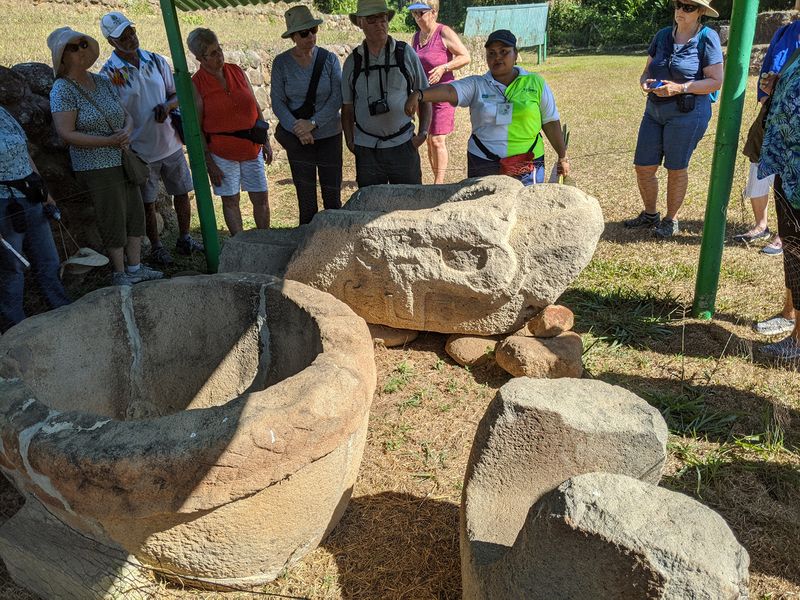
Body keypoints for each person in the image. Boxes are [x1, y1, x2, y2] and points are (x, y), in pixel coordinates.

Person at [48, 26, 163, 286]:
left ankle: (135, 268)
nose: (81, 50)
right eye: (73, 47)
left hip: (121, 157)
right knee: (112, 217)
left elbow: (126, 114)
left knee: (135, 213)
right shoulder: (62, 90)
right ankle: (120, 273)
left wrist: (127, 130)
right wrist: (107, 141)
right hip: (96, 166)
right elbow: (66, 133)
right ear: (62, 57)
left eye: (83, 44)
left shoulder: (101, 81)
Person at [99, 11, 204, 267]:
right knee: (148, 202)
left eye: (131, 32)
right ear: (111, 43)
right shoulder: (108, 75)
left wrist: (167, 107)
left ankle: (185, 237)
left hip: (170, 143)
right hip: (140, 151)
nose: (129, 39)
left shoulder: (156, 61)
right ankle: (157, 247)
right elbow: (112, 114)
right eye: (122, 37)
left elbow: (176, 93)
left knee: (182, 192)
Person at [404, 29, 569, 186]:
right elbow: (448, 90)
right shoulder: (477, 84)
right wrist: (419, 94)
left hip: (527, 162)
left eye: (504, 51)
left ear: (516, 55)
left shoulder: (535, 83)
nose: (497, 57)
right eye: (491, 53)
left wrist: (562, 156)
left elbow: (550, 122)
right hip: (483, 161)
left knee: (525, 208)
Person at [625, 0, 723, 239]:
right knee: (643, 166)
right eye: (678, 5)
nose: (680, 11)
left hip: (688, 112)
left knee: (676, 168)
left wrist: (680, 88)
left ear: (701, 13)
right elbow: (648, 69)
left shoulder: (707, 38)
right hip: (654, 110)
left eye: (688, 7)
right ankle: (650, 215)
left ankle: (671, 220)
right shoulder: (662, 36)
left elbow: (715, 80)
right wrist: (645, 82)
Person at [188, 27, 273, 236]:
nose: (220, 56)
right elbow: (198, 127)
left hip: (252, 146)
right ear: (200, 58)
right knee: (231, 201)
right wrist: (209, 162)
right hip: (222, 152)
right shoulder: (197, 83)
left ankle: (265, 240)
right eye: (213, 53)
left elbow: (255, 106)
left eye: (220, 49)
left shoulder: (236, 71)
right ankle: (239, 243)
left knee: (261, 197)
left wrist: (266, 141)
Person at [342, 0, 431, 188]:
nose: (380, 24)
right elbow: (347, 106)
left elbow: (425, 95)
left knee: (410, 204)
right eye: (372, 20)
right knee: (371, 205)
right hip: (367, 148)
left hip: (403, 145)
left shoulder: (405, 53)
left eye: (383, 19)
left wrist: (422, 133)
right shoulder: (353, 61)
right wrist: (350, 141)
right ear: (361, 23)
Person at [733, 17, 800, 256]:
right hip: (773, 110)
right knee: (758, 159)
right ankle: (762, 225)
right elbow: (770, 68)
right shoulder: (784, 32)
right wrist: (768, 90)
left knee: (790, 174)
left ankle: (786, 234)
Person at [0, 107, 71, 333]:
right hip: (3, 204)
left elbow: (25, 154)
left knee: (48, 260)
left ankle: (63, 314)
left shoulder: (3, 112)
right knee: (13, 267)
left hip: (30, 196)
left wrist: (46, 193)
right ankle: (16, 329)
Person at [271, 5, 343, 225]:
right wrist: (298, 128)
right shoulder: (281, 63)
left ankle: (334, 242)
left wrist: (312, 123)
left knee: (332, 196)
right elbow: (278, 101)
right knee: (306, 198)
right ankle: (306, 247)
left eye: (313, 30)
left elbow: (337, 97)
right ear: (293, 36)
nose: (311, 36)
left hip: (329, 135)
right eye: (304, 33)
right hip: (299, 138)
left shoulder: (329, 59)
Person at [753, 47, 800, 359]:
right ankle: (793, 324)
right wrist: (778, 85)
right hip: (790, 167)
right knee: (794, 249)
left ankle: (798, 343)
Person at [409, 0, 470, 184]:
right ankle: (437, 177)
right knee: (427, 138)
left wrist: (444, 67)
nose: (417, 17)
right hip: (423, 95)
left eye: (421, 12)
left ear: (433, 12)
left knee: (437, 139)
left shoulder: (443, 32)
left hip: (443, 93)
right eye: (414, 13)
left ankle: (439, 183)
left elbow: (465, 56)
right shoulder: (416, 37)